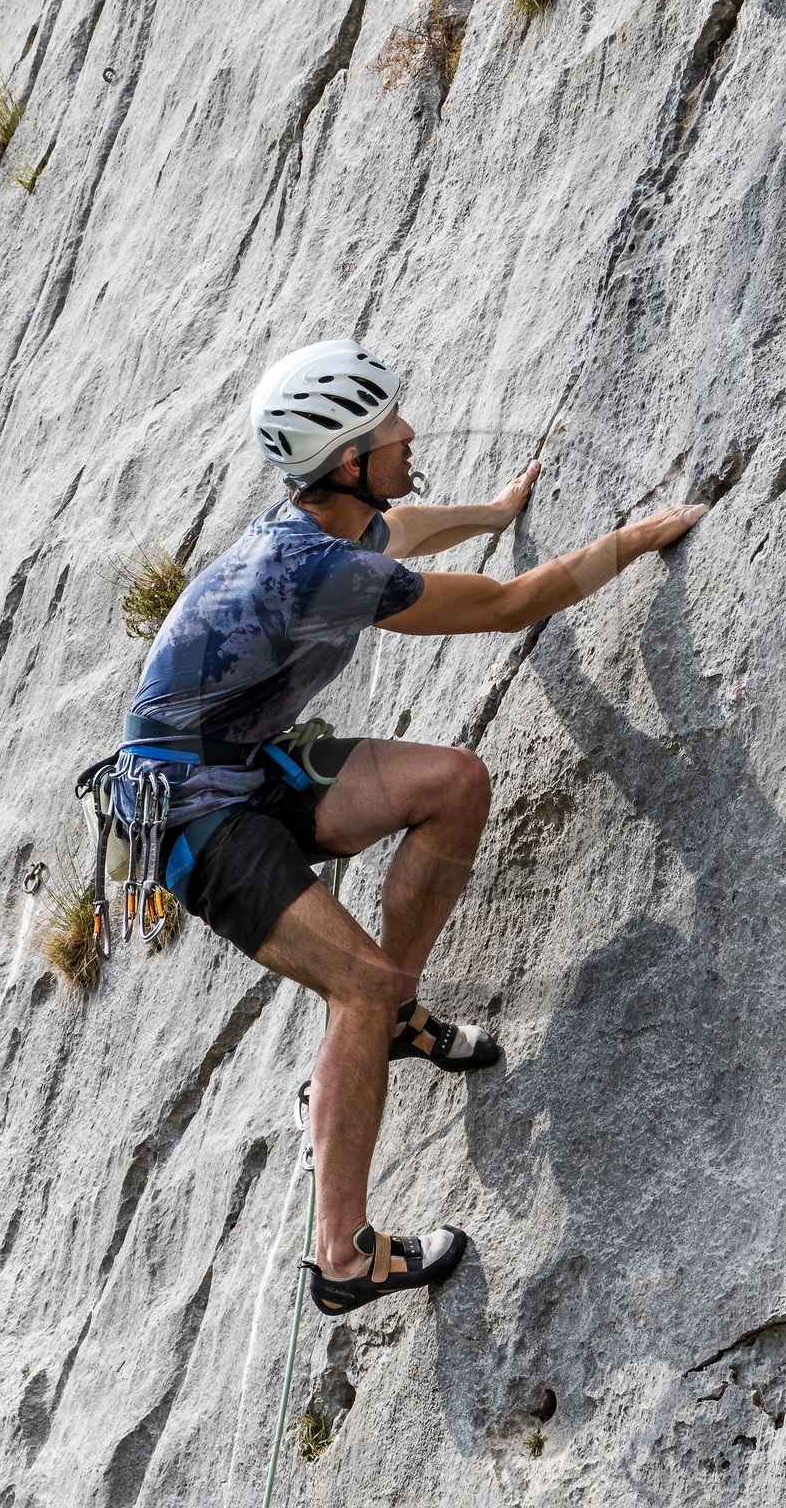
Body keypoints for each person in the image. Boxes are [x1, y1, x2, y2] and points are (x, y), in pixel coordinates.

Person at [120, 339, 707, 1316]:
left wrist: (493, 513)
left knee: (452, 785)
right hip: (190, 807)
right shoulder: (314, 572)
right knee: (357, 980)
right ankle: (342, 1260)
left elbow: (395, 532)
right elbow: (511, 606)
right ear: (349, 461)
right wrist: (638, 538)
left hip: (239, 761)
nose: (410, 432)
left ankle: (387, 1020)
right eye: (388, 426)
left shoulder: (326, 524)